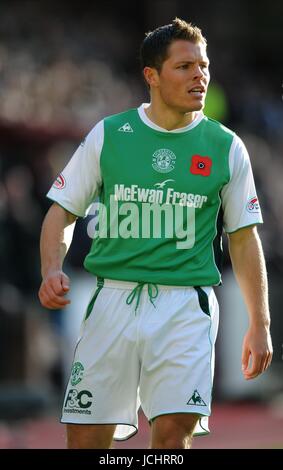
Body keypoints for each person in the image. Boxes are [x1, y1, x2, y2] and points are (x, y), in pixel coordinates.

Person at [38, 18, 273, 449]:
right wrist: (50, 268)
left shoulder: (226, 145)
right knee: (87, 440)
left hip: (186, 305)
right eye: (184, 67)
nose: (199, 75)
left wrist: (260, 321)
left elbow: (243, 237)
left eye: (203, 65)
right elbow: (61, 212)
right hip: (112, 300)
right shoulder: (109, 134)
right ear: (152, 75)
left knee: (172, 432)